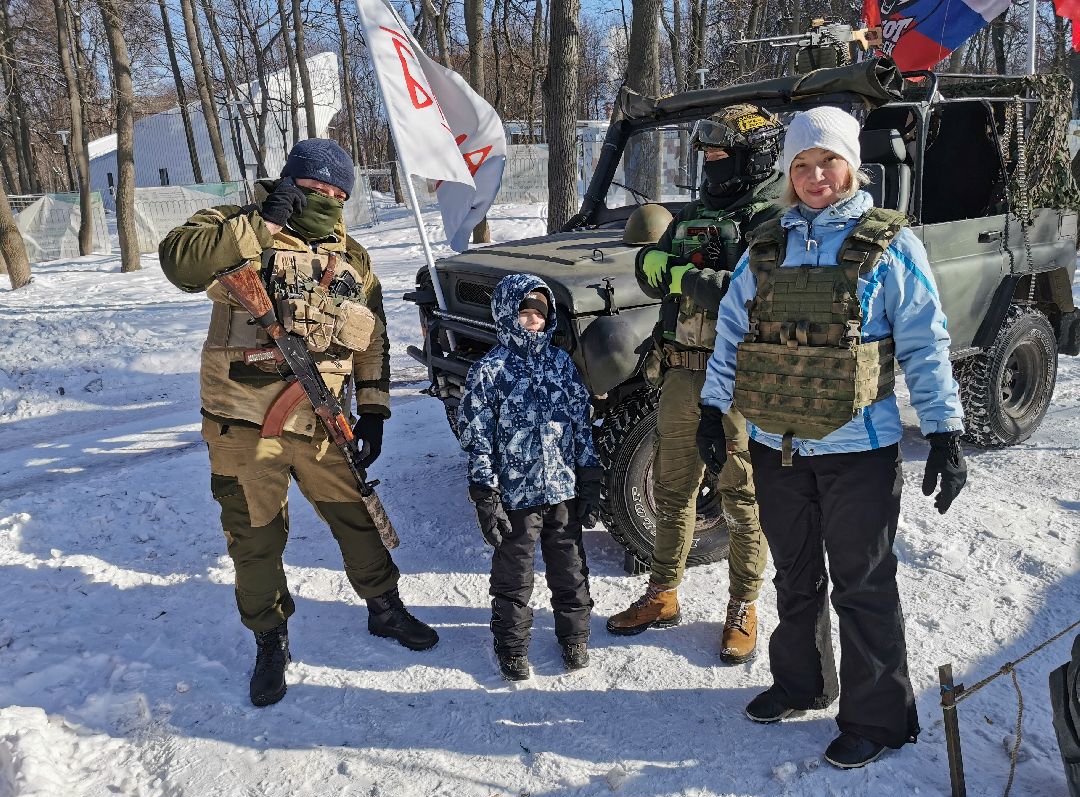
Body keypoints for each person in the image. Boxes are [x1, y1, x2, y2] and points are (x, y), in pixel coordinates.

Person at [698, 106, 968, 768]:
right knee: (794, 576)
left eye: (828, 162)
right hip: (776, 446)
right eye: (803, 165)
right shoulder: (767, 246)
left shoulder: (890, 246)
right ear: (790, 173)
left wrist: (944, 430)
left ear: (852, 165)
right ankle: (801, 681)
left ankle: (879, 719)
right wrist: (712, 408)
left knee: (863, 582)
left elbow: (926, 342)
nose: (817, 176)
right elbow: (732, 333)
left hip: (859, 452)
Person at [159, 138, 438, 708]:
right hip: (242, 427)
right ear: (290, 183)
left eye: (338, 193)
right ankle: (270, 639)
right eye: (314, 189)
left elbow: (373, 337)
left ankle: (384, 608)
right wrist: (258, 227)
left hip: (321, 422)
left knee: (358, 516)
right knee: (255, 540)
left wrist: (375, 409)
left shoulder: (353, 256)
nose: (327, 200)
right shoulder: (235, 223)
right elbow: (179, 263)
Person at [606, 104, 786, 665]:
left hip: (737, 375)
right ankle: (663, 592)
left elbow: (752, 293)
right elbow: (654, 269)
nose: (710, 164)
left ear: (750, 157)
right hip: (681, 368)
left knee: (740, 490)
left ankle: (743, 603)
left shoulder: (774, 218)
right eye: (704, 154)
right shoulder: (698, 213)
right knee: (673, 485)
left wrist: (686, 275)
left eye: (720, 155)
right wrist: (657, 262)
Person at [457, 273, 601, 681]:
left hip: (562, 489)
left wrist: (588, 475)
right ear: (506, 314)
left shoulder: (560, 363)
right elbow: (477, 434)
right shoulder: (490, 369)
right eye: (524, 311)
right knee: (514, 573)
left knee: (570, 567)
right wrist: (486, 491)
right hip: (516, 494)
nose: (533, 318)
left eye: (540, 311)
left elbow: (580, 422)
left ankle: (574, 637)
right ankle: (512, 645)